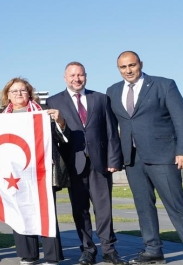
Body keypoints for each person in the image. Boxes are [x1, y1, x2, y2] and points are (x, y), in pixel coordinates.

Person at [106, 51, 183, 265]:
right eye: (123, 67)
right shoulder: (112, 91)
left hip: (163, 156)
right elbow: (111, 128)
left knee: (176, 206)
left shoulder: (164, 85)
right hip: (132, 159)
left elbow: (182, 118)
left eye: (132, 65)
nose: (128, 70)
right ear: (118, 69)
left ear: (140, 64)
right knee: (143, 206)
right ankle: (153, 250)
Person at [46, 62, 124, 265]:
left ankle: (109, 250)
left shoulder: (100, 98)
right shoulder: (53, 101)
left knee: (104, 209)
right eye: (72, 75)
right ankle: (87, 250)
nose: (76, 79)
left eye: (80, 75)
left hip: (100, 164)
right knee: (80, 210)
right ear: (65, 77)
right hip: (73, 165)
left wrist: (114, 160)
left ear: (86, 76)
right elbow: (51, 136)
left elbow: (110, 131)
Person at [0, 78, 69, 265]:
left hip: (42, 172)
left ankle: (51, 256)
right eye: (14, 91)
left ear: (29, 93)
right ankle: (28, 255)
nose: (18, 94)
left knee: (46, 212)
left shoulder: (42, 113)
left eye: (22, 90)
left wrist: (60, 121)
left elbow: (62, 138)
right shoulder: (1, 118)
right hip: (14, 175)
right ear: (7, 95)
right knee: (20, 211)